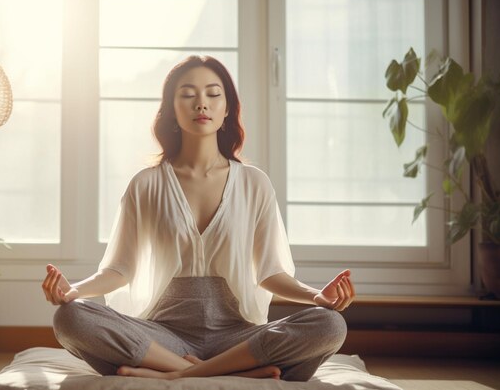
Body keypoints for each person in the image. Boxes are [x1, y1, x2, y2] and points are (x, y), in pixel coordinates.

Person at [41, 55, 355, 381]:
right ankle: (231, 373)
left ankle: (172, 374)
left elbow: (270, 273)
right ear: (172, 108)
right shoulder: (146, 184)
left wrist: (316, 296)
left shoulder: (254, 183)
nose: (201, 103)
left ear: (227, 108)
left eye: (213, 94)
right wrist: (72, 291)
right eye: (188, 94)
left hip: (238, 337)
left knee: (329, 324)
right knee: (71, 318)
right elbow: (119, 270)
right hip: (162, 336)